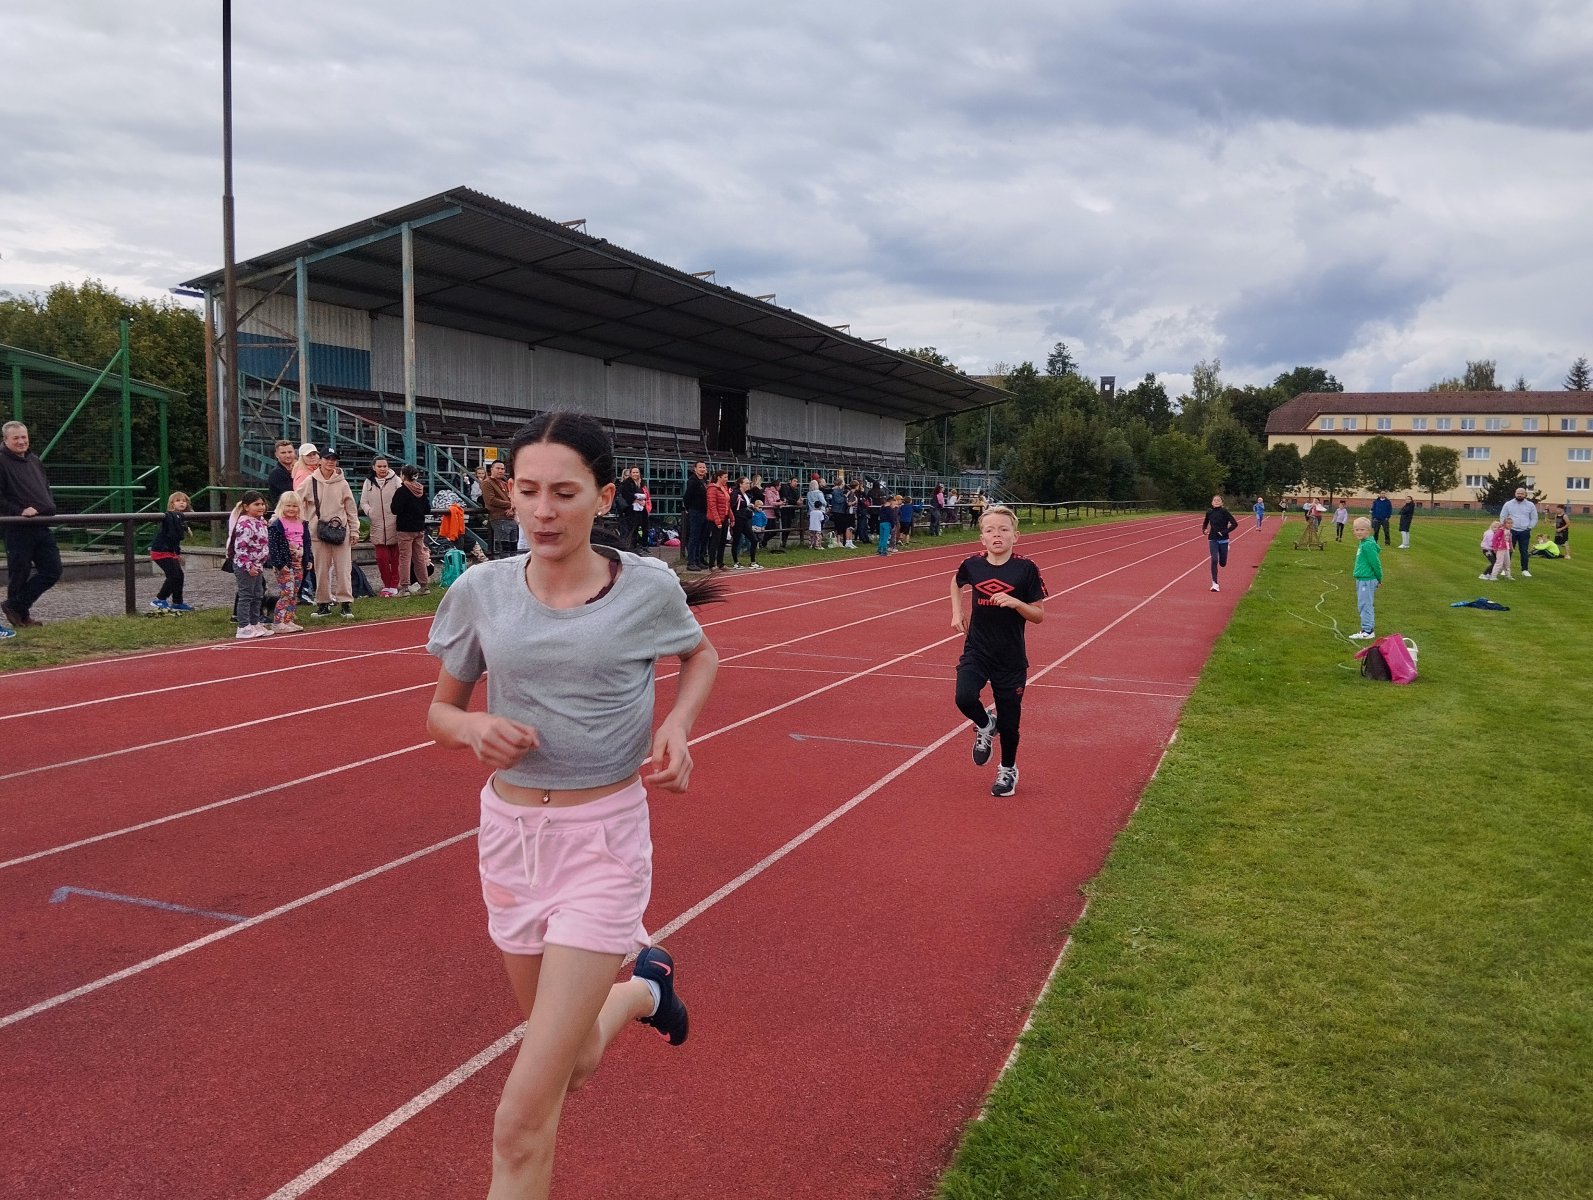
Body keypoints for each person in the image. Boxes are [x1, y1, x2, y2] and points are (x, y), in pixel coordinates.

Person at [424, 411, 719, 1199]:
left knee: (520, 1119)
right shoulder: (480, 590)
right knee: (575, 1061)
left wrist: (677, 727)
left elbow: (700, 655)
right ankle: (646, 989)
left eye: (563, 492)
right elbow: (440, 712)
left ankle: (637, 985)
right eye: (526, 491)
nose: (542, 511)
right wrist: (473, 728)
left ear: (603, 496)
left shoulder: (645, 587)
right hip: (510, 840)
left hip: (602, 843)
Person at [949, 504, 1047, 798]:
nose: (997, 535)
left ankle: (1007, 769)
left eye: (1004, 530)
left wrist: (1016, 603)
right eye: (990, 530)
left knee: (1010, 723)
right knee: (964, 697)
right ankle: (984, 723)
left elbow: (1038, 615)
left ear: (1015, 536)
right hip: (978, 649)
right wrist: (957, 611)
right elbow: (956, 582)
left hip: (1011, 657)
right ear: (982, 538)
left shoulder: (1026, 569)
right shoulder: (972, 564)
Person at [0, 421, 62, 629]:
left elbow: (45, 487)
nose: (21, 441)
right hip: (17, 526)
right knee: (19, 572)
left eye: (24, 437)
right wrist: (19, 511)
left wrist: (48, 504)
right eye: (16, 438)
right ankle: (21, 616)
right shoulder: (1, 461)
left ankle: (15, 606)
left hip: (41, 524)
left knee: (52, 569)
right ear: (5, 440)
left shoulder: (34, 460)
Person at [297, 447, 360, 618]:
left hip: (340, 530)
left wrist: (354, 530)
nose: (330, 462)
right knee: (321, 569)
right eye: (327, 458)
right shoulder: (310, 481)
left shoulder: (342, 483)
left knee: (343, 569)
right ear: (320, 460)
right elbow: (296, 499)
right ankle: (323, 603)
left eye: (333, 459)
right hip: (318, 531)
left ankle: (345, 603)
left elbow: (351, 508)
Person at [228, 490, 273, 640]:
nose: (261, 507)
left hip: (258, 564)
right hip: (245, 566)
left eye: (262, 504)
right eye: (256, 504)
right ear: (246, 507)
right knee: (246, 595)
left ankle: (254, 622)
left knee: (258, 595)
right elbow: (240, 548)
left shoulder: (260, 522)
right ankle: (243, 626)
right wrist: (249, 566)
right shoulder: (245, 524)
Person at [266, 490, 312, 632]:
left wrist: (309, 558)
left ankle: (288, 619)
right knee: (287, 592)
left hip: (299, 563)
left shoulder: (303, 523)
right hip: (284, 564)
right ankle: (277, 621)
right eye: (288, 506)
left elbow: (307, 542)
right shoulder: (277, 525)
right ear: (282, 506)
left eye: (294, 506)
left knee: (294, 593)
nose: (291, 509)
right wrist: (279, 564)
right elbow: (273, 547)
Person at [361, 456, 403, 594]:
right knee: (381, 558)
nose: (383, 469)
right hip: (377, 524)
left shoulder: (396, 480)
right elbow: (363, 501)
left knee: (395, 558)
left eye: (385, 466)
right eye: (379, 466)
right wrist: (370, 512)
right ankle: (386, 584)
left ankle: (394, 584)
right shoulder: (368, 482)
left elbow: (403, 497)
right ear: (374, 467)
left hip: (394, 523)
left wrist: (398, 512)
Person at [149, 491, 195, 613]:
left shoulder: (180, 519)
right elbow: (171, 535)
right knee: (174, 575)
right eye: (178, 501)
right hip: (160, 551)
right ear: (172, 504)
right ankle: (160, 599)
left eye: (184, 501)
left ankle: (177, 602)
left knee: (179, 575)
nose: (182, 503)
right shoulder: (169, 517)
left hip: (170, 551)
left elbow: (176, 540)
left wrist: (177, 553)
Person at [391, 465, 432, 595]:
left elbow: (395, 509)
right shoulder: (420, 490)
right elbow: (427, 509)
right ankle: (424, 585)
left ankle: (404, 587)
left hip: (405, 529)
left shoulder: (402, 491)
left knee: (405, 558)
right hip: (419, 528)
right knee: (419, 557)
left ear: (403, 476)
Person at [1347, 516, 1382, 640]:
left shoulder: (1368, 545)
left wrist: (1379, 578)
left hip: (1366, 580)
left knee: (1365, 604)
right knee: (1363, 604)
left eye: (1362, 530)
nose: (1359, 532)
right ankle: (1367, 629)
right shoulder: (1363, 543)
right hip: (1362, 579)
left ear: (1369, 531)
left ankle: (1368, 631)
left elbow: (1375, 563)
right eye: (1356, 530)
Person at [1201, 494, 1238, 592]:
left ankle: (1226, 549)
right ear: (1212, 502)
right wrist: (1204, 530)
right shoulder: (1209, 512)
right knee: (1214, 560)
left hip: (1224, 539)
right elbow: (1205, 523)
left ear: (1222, 503)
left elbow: (1235, 524)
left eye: (1218, 500)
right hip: (1212, 539)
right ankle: (1215, 584)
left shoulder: (1225, 512)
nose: (1216, 501)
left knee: (1222, 563)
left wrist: (1224, 532)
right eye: (1215, 500)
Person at [1499, 487, 1539, 577]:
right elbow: (1503, 516)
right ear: (1515, 494)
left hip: (1524, 531)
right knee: (1508, 550)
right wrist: (1505, 528)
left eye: (1522, 493)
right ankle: (1505, 569)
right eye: (1518, 493)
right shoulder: (1508, 504)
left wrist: (1529, 527)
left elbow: (1534, 518)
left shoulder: (1530, 505)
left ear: (1525, 495)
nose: (1520, 495)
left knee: (1524, 551)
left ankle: (1525, 570)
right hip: (1511, 531)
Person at [482, 460, 516, 558]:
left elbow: (512, 497)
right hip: (499, 518)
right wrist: (510, 505)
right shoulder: (487, 483)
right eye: (498, 468)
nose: (501, 471)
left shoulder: (504, 483)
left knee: (514, 548)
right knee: (504, 549)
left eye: (502, 469)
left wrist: (512, 507)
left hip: (510, 517)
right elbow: (491, 500)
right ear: (491, 469)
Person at [730, 476, 762, 570]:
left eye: (749, 483)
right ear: (741, 484)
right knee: (736, 540)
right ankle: (736, 562)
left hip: (745, 519)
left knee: (754, 539)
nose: (748, 485)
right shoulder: (736, 493)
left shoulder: (747, 494)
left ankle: (753, 561)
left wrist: (751, 506)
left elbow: (746, 505)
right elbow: (732, 505)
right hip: (738, 519)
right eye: (746, 483)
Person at [683, 460, 710, 570]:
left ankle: (698, 559)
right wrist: (689, 508)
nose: (702, 469)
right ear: (695, 469)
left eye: (704, 467)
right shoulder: (692, 481)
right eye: (700, 467)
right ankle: (691, 562)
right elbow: (687, 497)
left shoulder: (704, 481)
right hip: (696, 511)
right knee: (694, 537)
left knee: (702, 537)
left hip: (704, 512)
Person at [706, 468, 732, 570]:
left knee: (722, 541)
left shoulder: (725, 487)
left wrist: (731, 517)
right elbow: (712, 506)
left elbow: (727, 504)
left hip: (724, 517)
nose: (726, 479)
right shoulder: (712, 489)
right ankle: (712, 564)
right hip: (715, 519)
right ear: (719, 477)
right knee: (715, 541)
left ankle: (720, 563)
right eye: (725, 477)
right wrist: (717, 521)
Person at [265, 439, 298, 509]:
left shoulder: (297, 470)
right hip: (284, 510)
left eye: (290, 452)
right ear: (277, 455)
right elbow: (292, 493)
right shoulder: (276, 473)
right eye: (283, 453)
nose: (288, 455)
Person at [1483, 516, 1515, 581]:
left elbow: (1509, 540)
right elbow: (1494, 539)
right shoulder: (1501, 530)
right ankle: (1493, 576)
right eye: (1508, 523)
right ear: (1504, 524)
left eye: (1511, 523)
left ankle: (1508, 575)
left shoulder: (1509, 530)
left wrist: (1511, 547)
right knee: (1499, 563)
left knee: (1507, 563)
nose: (1510, 524)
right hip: (1500, 549)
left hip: (1506, 549)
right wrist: (1495, 548)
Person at [829, 478, 853, 548]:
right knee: (838, 526)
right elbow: (838, 500)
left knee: (842, 526)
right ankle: (838, 541)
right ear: (841, 483)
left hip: (842, 510)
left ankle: (842, 541)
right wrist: (845, 496)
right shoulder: (836, 491)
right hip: (837, 511)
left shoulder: (841, 490)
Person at [805, 476, 827, 550]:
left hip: (811, 512)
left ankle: (812, 543)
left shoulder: (808, 493)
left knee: (812, 529)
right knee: (819, 529)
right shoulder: (819, 493)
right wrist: (826, 505)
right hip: (820, 511)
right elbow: (824, 502)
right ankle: (818, 544)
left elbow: (808, 503)